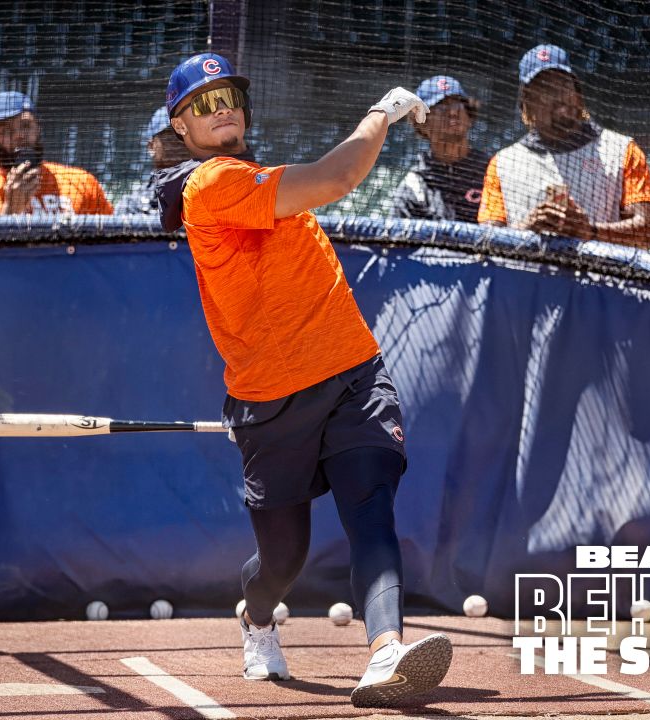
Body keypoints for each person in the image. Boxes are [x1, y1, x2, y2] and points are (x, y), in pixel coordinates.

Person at [154, 52, 452, 709]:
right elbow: (339, 175)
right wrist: (383, 111)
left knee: (371, 506)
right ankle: (256, 618)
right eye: (201, 104)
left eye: (227, 94)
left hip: (353, 371)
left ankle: (385, 655)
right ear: (181, 127)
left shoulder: (260, 177)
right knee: (283, 558)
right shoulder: (212, 184)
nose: (221, 106)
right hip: (270, 397)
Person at [478, 45, 650, 249]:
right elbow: (486, 241)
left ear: (578, 92)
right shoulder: (503, 163)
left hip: (601, 278)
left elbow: (646, 233)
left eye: (564, 84)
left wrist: (589, 231)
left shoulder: (622, 150)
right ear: (526, 102)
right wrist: (525, 230)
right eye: (545, 88)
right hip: (525, 278)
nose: (559, 95)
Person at [0, 91, 113, 217]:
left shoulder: (81, 182)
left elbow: (114, 246)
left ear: (38, 128)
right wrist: (10, 210)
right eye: (6, 130)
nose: (19, 135)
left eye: (25, 125)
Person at [389, 75, 490, 222]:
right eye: (441, 105)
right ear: (422, 123)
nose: (452, 112)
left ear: (469, 116)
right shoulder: (414, 185)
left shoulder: (492, 170)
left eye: (457, 103)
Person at [115, 107, 192, 215]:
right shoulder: (131, 205)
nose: (179, 143)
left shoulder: (208, 192)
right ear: (151, 146)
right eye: (169, 136)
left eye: (183, 135)